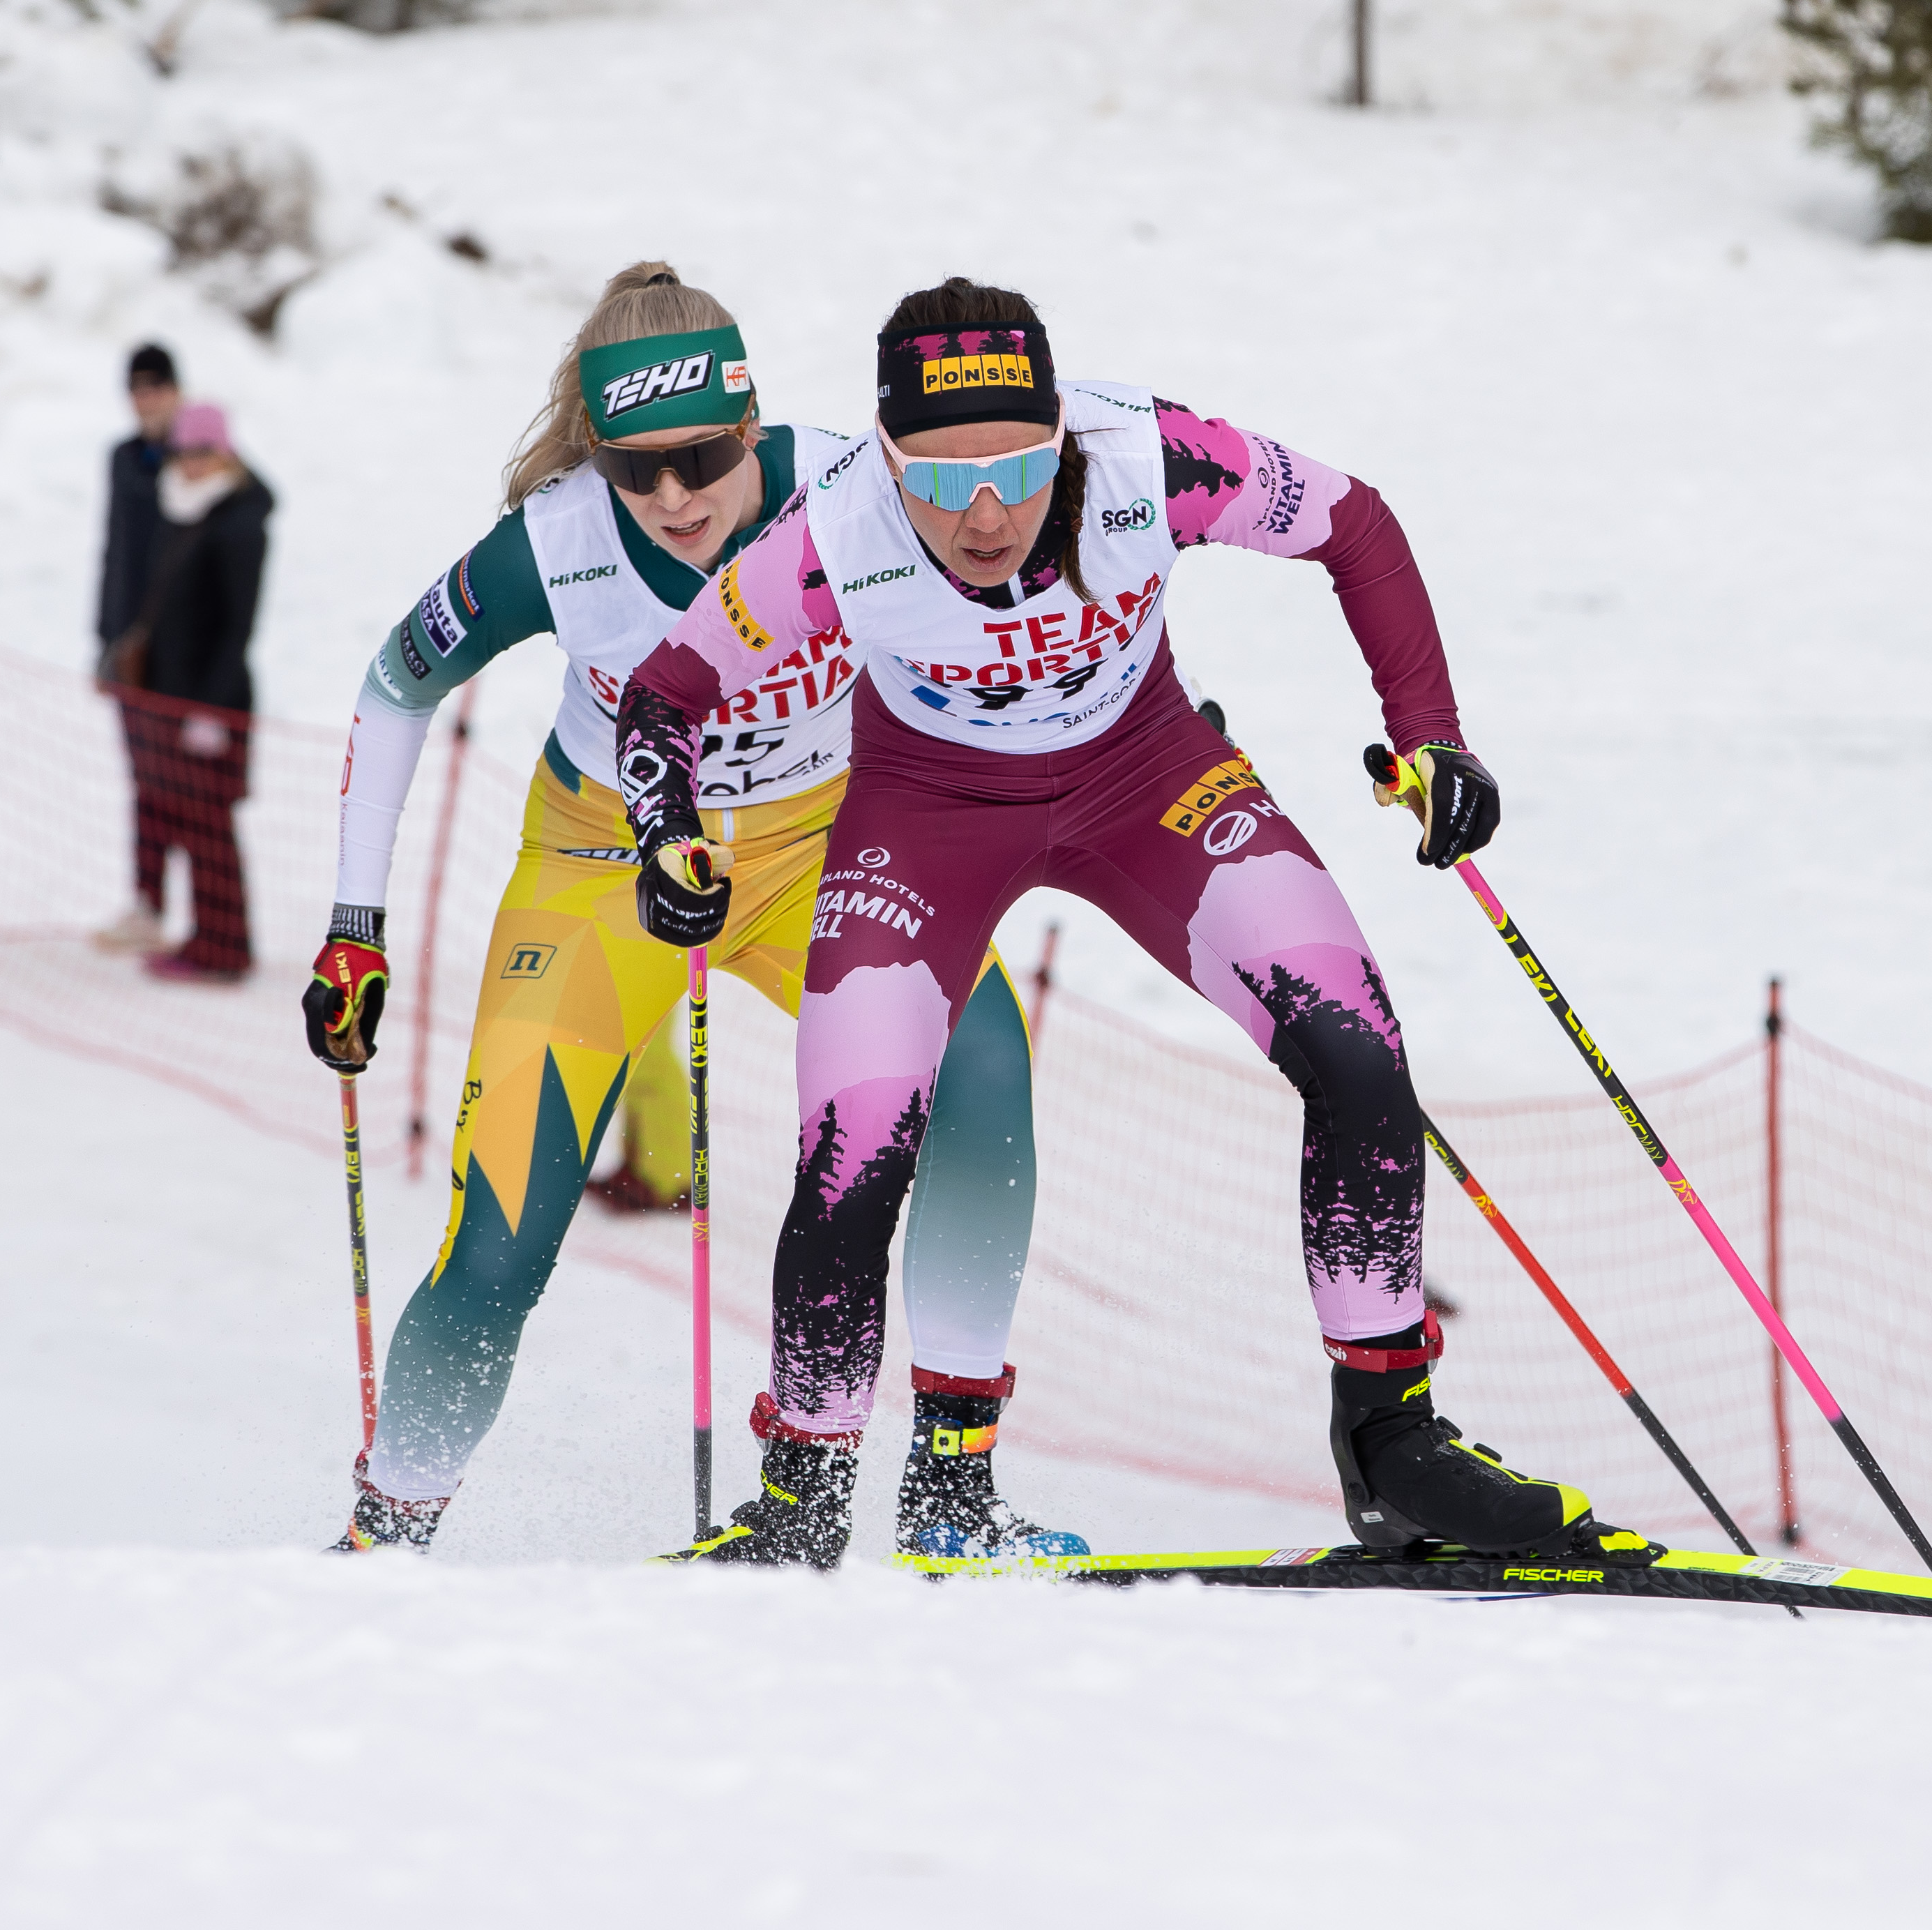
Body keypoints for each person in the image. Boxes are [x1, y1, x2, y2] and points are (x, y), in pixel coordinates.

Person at [614, 276, 1655, 1567]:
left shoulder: (1150, 460)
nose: (985, 515)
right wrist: (667, 833)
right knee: (855, 1142)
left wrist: (1430, 735)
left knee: (1354, 1042)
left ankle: (1393, 1448)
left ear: (1063, 435)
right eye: (941, 483)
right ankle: (802, 1502)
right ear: (885, 459)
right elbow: (664, 695)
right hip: (927, 814)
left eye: (1018, 470)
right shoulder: (828, 534)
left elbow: (1356, 524)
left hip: (1145, 778)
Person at [302, 262, 1072, 1565]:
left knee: (985, 1071)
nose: (672, 497)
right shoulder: (551, 543)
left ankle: (952, 1490)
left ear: (753, 426)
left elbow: (1014, 594)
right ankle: (385, 1537)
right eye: (634, 468)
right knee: (500, 1240)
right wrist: (354, 925)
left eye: (703, 457)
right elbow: (394, 687)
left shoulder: (851, 490)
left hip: (822, 845)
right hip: (601, 867)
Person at [98, 402, 273, 982]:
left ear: (225, 452)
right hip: (166, 694)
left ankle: (223, 950)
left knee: (208, 825)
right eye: (184, 451)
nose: (193, 463)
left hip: (211, 702)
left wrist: (211, 710)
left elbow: (238, 627)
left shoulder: (240, 522)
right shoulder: (177, 506)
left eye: (204, 451)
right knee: (174, 813)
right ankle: (198, 936)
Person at [92, 340, 185, 955]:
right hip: (131, 649)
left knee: (189, 787)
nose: (146, 397)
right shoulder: (124, 458)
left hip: (180, 651)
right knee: (145, 781)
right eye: (136, 387)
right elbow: (114, 549)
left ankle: (211, 921)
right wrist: (105, 637)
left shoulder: (198, 454)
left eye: (155, 385)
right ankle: (147, 902)